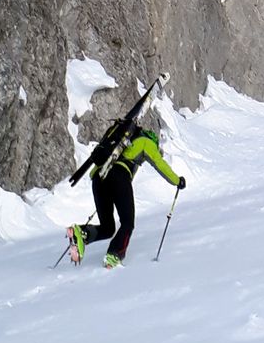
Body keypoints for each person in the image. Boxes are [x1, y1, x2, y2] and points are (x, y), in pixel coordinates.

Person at [66, 79, 186, 268]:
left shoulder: (119, 135)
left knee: (108, 227)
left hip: (98, 178)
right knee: (127, 222)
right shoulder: (146, 143)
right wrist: (176, 180)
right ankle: (114, 255)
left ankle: (82, 233)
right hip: (119, 176)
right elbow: (159, 164)